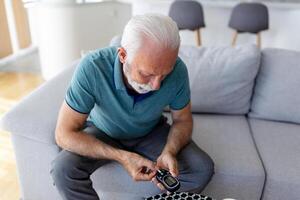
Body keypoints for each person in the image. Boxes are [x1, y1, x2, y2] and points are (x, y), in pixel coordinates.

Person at [50, 14, 214, 200]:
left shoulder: (178, 70)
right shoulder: (93, 67)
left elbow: (182, 120)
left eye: (164, 74)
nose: (156, 85)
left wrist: (170, 151)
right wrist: (123, 157)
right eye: (147, 74)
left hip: (151, 131)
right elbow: (63, 134)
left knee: (201, 168)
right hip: (103, 131)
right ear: (123, 55)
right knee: (63, 170)